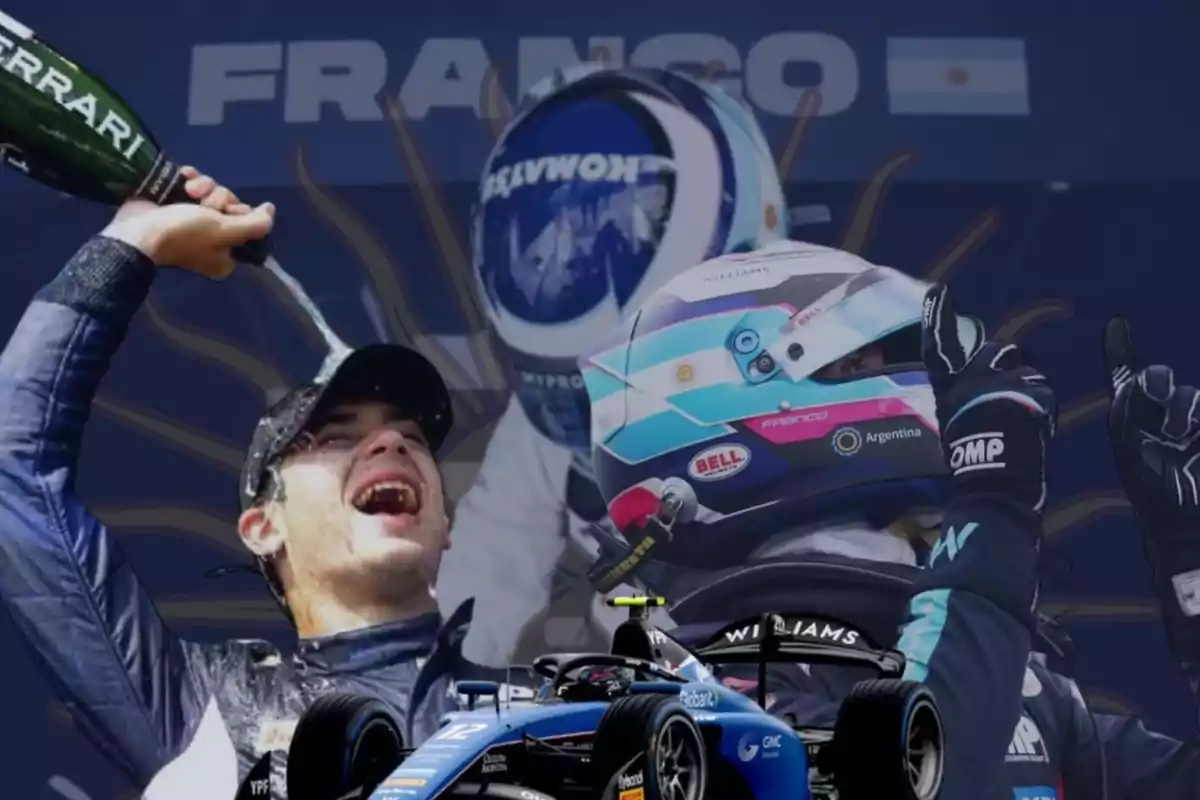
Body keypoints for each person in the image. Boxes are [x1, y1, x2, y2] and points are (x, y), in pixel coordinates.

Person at [581, 239, 1200, 798]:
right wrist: (995, 502)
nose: (923, 378)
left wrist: (1187, 554)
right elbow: (921, 778)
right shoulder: (697, 695)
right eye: (861, 359)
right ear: (747, 391)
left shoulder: (1028, 692)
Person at [0, 173, 475, 800]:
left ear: (446, 524)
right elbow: (17, 466)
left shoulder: (561, 712)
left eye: (410, 439)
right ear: (263, 526)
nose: (390, 445)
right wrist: (134, 240)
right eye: (335, 437)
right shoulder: (202, 708)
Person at [436, 64, 789, 666]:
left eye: (603, 229)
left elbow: (859, 595)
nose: (563, 256)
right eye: (547, 233)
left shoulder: (818, 396)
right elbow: (480, 594)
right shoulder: (544, 422)